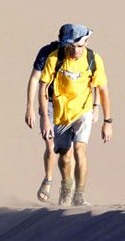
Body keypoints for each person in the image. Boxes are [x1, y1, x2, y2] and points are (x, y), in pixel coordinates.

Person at [39, 24, 112, 206]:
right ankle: (66, 187)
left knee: (80, 151)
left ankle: (79, 195)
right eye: (72, 46)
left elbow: (103, 89)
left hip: (83, 111)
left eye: (80, 46)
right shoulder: (55, 58)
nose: (76, 50)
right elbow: (42, 88)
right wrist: (45, 119)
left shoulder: (93, 59)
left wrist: (107, 121)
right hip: (61, 113)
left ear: (86, 42)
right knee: (65, 155)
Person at [26, 25, 100, 202]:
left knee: (75, 150)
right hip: (50, 103)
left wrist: (96, 106)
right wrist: (30, 107)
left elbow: (93, 81)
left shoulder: (85, 56)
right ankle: (49, 178)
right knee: (51, 147)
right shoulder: (47, 53)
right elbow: (35, 78)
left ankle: (69, 186)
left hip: (75, 106)